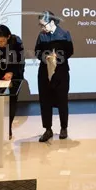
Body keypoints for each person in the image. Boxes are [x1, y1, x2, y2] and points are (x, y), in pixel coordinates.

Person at [34, 11, 74, 142]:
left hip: (61, 72)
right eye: (40, 25)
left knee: (62, 100)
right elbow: (37, 52)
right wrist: (45, 57)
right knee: (45, 101)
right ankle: (48, 129)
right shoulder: (42, 36)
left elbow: (70, 51)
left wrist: (58, 58)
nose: (42, 28)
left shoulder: (64, 34)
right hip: (44, 72)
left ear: (52, 22)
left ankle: (64, 128)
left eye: (43, 25)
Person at [0, 24, 25, 140]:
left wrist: (12, 72)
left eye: (2, 41)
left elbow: (20, 61)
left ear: (8, 36)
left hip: (15, 73)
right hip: (0, 75)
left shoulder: (16, 42)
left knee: (12, 100)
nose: (0, 44)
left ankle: (8, 127)